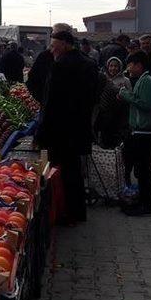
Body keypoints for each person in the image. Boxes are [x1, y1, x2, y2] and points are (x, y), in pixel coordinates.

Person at [35, 29, 98, 224]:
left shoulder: (60, 66)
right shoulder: (89, 63)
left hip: (60, 131)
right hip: (79, 128)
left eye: (54, 46)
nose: (51, 50)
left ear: (64, 43)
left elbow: (50, 103)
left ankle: (65, 213)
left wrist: (41, 134)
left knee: (61, 173)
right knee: (75, 171)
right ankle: (78, 212)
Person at [118, 51, 151, 216]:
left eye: (130, 64)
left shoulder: (147, 81)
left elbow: (146, 104)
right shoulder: (142, 80)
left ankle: (147, 204)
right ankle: (145, 201)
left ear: (139, 65)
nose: (129, 68)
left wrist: (125, 95)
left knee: (143, 170)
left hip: (146, 131)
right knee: (141, 170)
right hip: (141, 130)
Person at [26, 23, 72, 103]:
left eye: (53, 34)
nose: (51, 36)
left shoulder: (45, 56)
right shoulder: (44, 56)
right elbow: (32, 80)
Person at [94, 57, 131, 148]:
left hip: (121, 113)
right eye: (111, 66)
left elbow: (130, 95)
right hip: (106, 113)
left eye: (115, 66)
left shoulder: (125, 80)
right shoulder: (103, 78)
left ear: (120, 67)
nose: (113, 68)